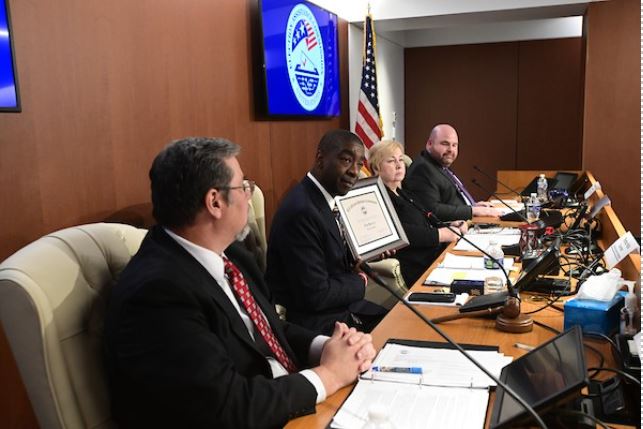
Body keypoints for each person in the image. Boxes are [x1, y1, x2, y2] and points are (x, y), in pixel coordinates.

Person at [103, 137, 376, 429]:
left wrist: (329, 347)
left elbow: (269, 327)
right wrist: (331, 374)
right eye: (243, 186)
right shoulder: (157, 294)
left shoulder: (231, 254)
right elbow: (228, 408)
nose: (249, 195)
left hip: (289, 402)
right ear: (215, 202)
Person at [266, 129, 387, 336]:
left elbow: (330, 255)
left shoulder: (324, 200)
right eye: (347, 160)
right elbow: (315, 295)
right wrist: (360, 281)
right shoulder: (302, 211)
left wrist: (362, 255)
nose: (354, 172)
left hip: (342, 309)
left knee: (401, 321)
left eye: (359, 164)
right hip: (318, 325)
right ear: (320, 159)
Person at [369, 140, 467, 286]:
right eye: (391, 161)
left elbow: (425, 218)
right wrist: (442, 234)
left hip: (435, 258)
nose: (398, 165)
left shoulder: (404, 193)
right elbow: (399, 231)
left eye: (400, 159)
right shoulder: (377, 199)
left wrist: (450, 224)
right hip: (416, 269)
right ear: (376, 168)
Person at [404, 124, 503, 221]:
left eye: (454, 145)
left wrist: (472, 205)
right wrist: (472, 211)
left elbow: (449, 200)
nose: (451, 149)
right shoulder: (422, 169)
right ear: (429, 144)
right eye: (445, 144)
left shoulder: (439, 165)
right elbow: (433, 210)